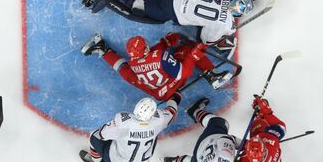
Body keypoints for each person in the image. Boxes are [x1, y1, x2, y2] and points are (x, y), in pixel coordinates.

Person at [81, 0, 268, 55]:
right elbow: (205, 39)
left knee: (139, 3)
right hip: (172, 9)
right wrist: (225, 35)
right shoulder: (226, 24)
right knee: (134, 10)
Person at [81, 32, 233, 101]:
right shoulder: (160, 56)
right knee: (186, 51)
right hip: (174, 83)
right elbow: (183, 73)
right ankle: (212, 75)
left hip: (160, 94)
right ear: (146, 48)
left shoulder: (134, 62)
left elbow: (143, 57)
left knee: (127, 73)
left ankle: (102, 50)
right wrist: (193, 55)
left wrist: (165, 43)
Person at [79, 93, 181, 162]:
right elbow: (171, 112)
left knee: (94, 136)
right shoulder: (158, 121)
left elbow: (101, 134)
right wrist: (175, 98)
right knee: (154, 131)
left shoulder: (124, 124)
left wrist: (117, 130)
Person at [163, 98, 238, 162]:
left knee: (221, 123)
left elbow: (228, 138)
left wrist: (245, 145)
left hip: (207, 141)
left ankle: (194, 111)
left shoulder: (225, 161)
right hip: (199, 157)